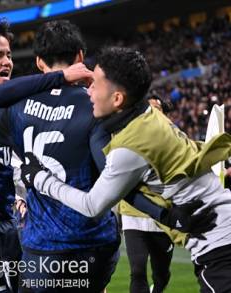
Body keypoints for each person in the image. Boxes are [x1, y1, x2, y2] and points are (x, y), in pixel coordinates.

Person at [0, 21, 209, 292]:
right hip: (93, 246)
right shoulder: (96, 108)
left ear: (40, 63)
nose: (6, 61)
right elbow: (115, 180)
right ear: (80, 57)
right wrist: (164, 214)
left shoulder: (12, 108)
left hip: (41, 249)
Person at [20, 46, 231, 292]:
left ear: (118, 98)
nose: (88, 91)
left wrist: (41, 179)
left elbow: (92, 205)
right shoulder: (150, 115)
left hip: (220, 246)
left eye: (95, 85)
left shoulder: (131, 147)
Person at [0, 18, 94, 292]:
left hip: (4, 221)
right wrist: (60, 76)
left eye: (9, 55)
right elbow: (1, 95)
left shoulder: (12, 105)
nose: (7, 62)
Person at [120, 95, 174, 293]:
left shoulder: (175, 140)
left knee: (161, 273)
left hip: (162, 215)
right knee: (137, 270)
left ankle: (158, 288)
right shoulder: (127, 137)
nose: (151, 111)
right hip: (133, 212)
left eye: (156, 108)